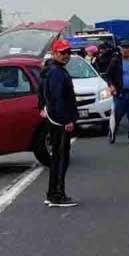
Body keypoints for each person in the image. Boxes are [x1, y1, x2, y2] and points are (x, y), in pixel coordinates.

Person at [39, 40, 79, 207]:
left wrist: (42, 108)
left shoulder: (50, 70)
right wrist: (66, 120)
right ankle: (57, 195)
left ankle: (52, 193)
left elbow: (41, 93)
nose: (66, 55)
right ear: (55, 53)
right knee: (61, 158)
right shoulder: (56, 72)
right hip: (59, 121)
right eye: (62, 53)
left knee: (57, 157)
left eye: (68, 52)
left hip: (54, 118)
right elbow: (58, 98)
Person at [106, 40, 129, 145]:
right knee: (117, 116)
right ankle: (112, 133)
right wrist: (111, 86)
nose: (126, 50)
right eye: (124, 48)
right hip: (120, 93)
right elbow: (108, 75)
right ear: (121, 49)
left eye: (128, 48)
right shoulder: (115, 61)